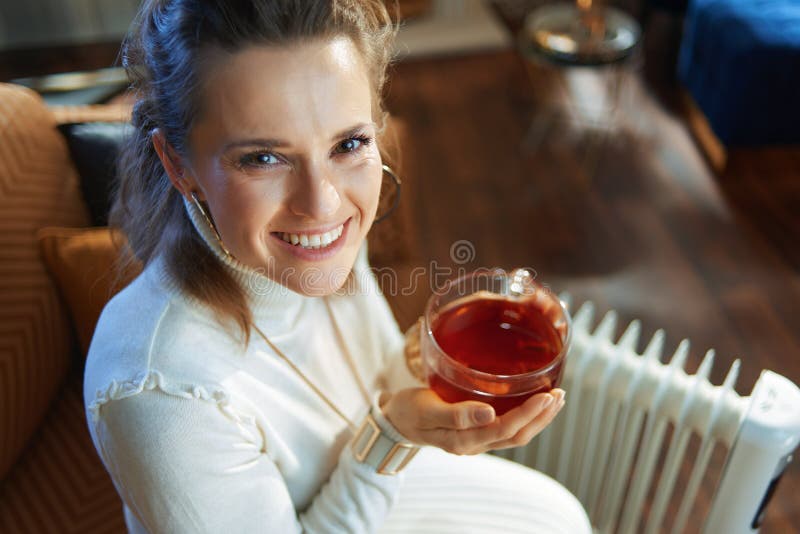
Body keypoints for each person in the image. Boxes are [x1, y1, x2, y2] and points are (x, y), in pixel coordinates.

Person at [83, 1, 592, 532]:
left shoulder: (304, 245)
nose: (323, 205)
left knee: (563, 518)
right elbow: (375, 429)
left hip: (370, 482)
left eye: (348, 143)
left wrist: (436, 358)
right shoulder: (160, 393)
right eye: (262, 158)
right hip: (365, 483)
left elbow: (369, 387)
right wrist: (390, 436)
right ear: (178, 165)